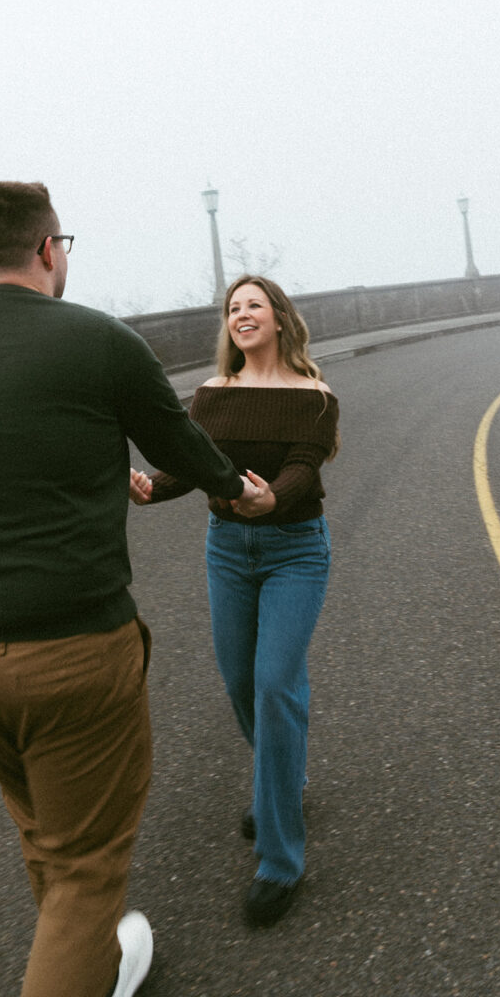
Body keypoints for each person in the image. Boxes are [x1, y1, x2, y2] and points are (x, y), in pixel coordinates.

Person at [0, 181, 253, 997]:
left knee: (47, 829)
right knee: (90, 868)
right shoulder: (96, 339)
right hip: (64, 651)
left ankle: (90, 964)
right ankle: (76, 955)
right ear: (50, 250)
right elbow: (182, 442)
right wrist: (238, 488)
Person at [130, 274, 340, 928]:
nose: (242, 313)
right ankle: (283, 778)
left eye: (254, 304)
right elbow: (193, 461)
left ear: (279, 318)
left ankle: (280, 861)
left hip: (294, 550)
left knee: (276, 684)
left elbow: (305, 468)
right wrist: (150, 488)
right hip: (228, 549)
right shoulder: (211, 396)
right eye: (233, 308)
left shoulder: (315, 397)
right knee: (242, 683)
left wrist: (271, 497)